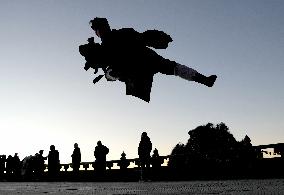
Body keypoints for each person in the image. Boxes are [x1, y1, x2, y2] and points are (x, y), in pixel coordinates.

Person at [79, 17, 217, 102]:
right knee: (174, 68)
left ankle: (204, 80)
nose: (98, 32)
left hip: (147, 61)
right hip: (136, 71)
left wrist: (158, 38)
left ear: (105, 27)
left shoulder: (123, 34)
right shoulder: (103, 49)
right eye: (97, 30)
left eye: (99, 28)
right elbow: (109, 73)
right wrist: (110, 72)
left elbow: (143, 37)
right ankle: (205, 80)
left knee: (175, 68)